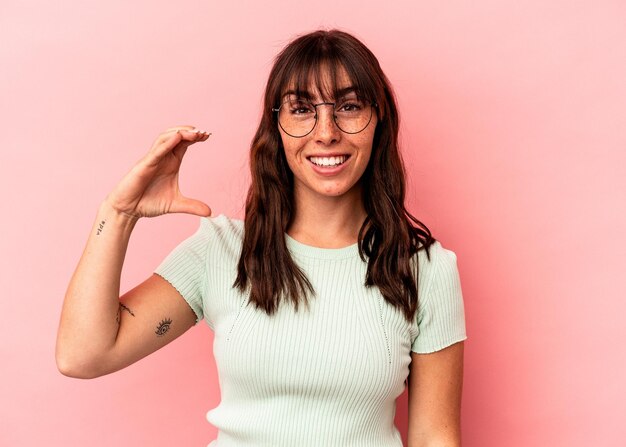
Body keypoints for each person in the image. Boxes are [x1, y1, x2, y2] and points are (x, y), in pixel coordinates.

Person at [56, 29, 467, 446]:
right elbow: (82, 355)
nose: (326, 132)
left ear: (379, 119)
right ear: (277, 125)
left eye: (348, 106)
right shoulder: (220, 252)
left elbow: (435, 436)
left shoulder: (425, 270)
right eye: (302, 109)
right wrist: (119, 214)